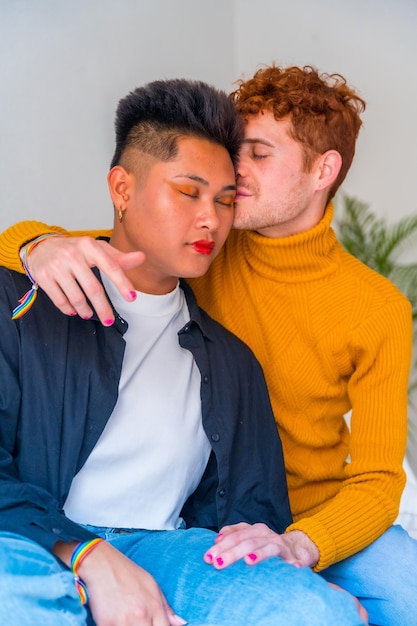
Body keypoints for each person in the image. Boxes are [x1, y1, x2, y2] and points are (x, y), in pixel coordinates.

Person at [7, 62, 417, 626]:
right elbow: (104, 237)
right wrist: (36, 245)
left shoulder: (372, 308)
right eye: (232, 155)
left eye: (257, 155)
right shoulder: (194, 251)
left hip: (302, 514)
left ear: (323, 170)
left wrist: (301, 549)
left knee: (395, 593)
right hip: (134, 517)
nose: (234, 179)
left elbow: (376, 480)